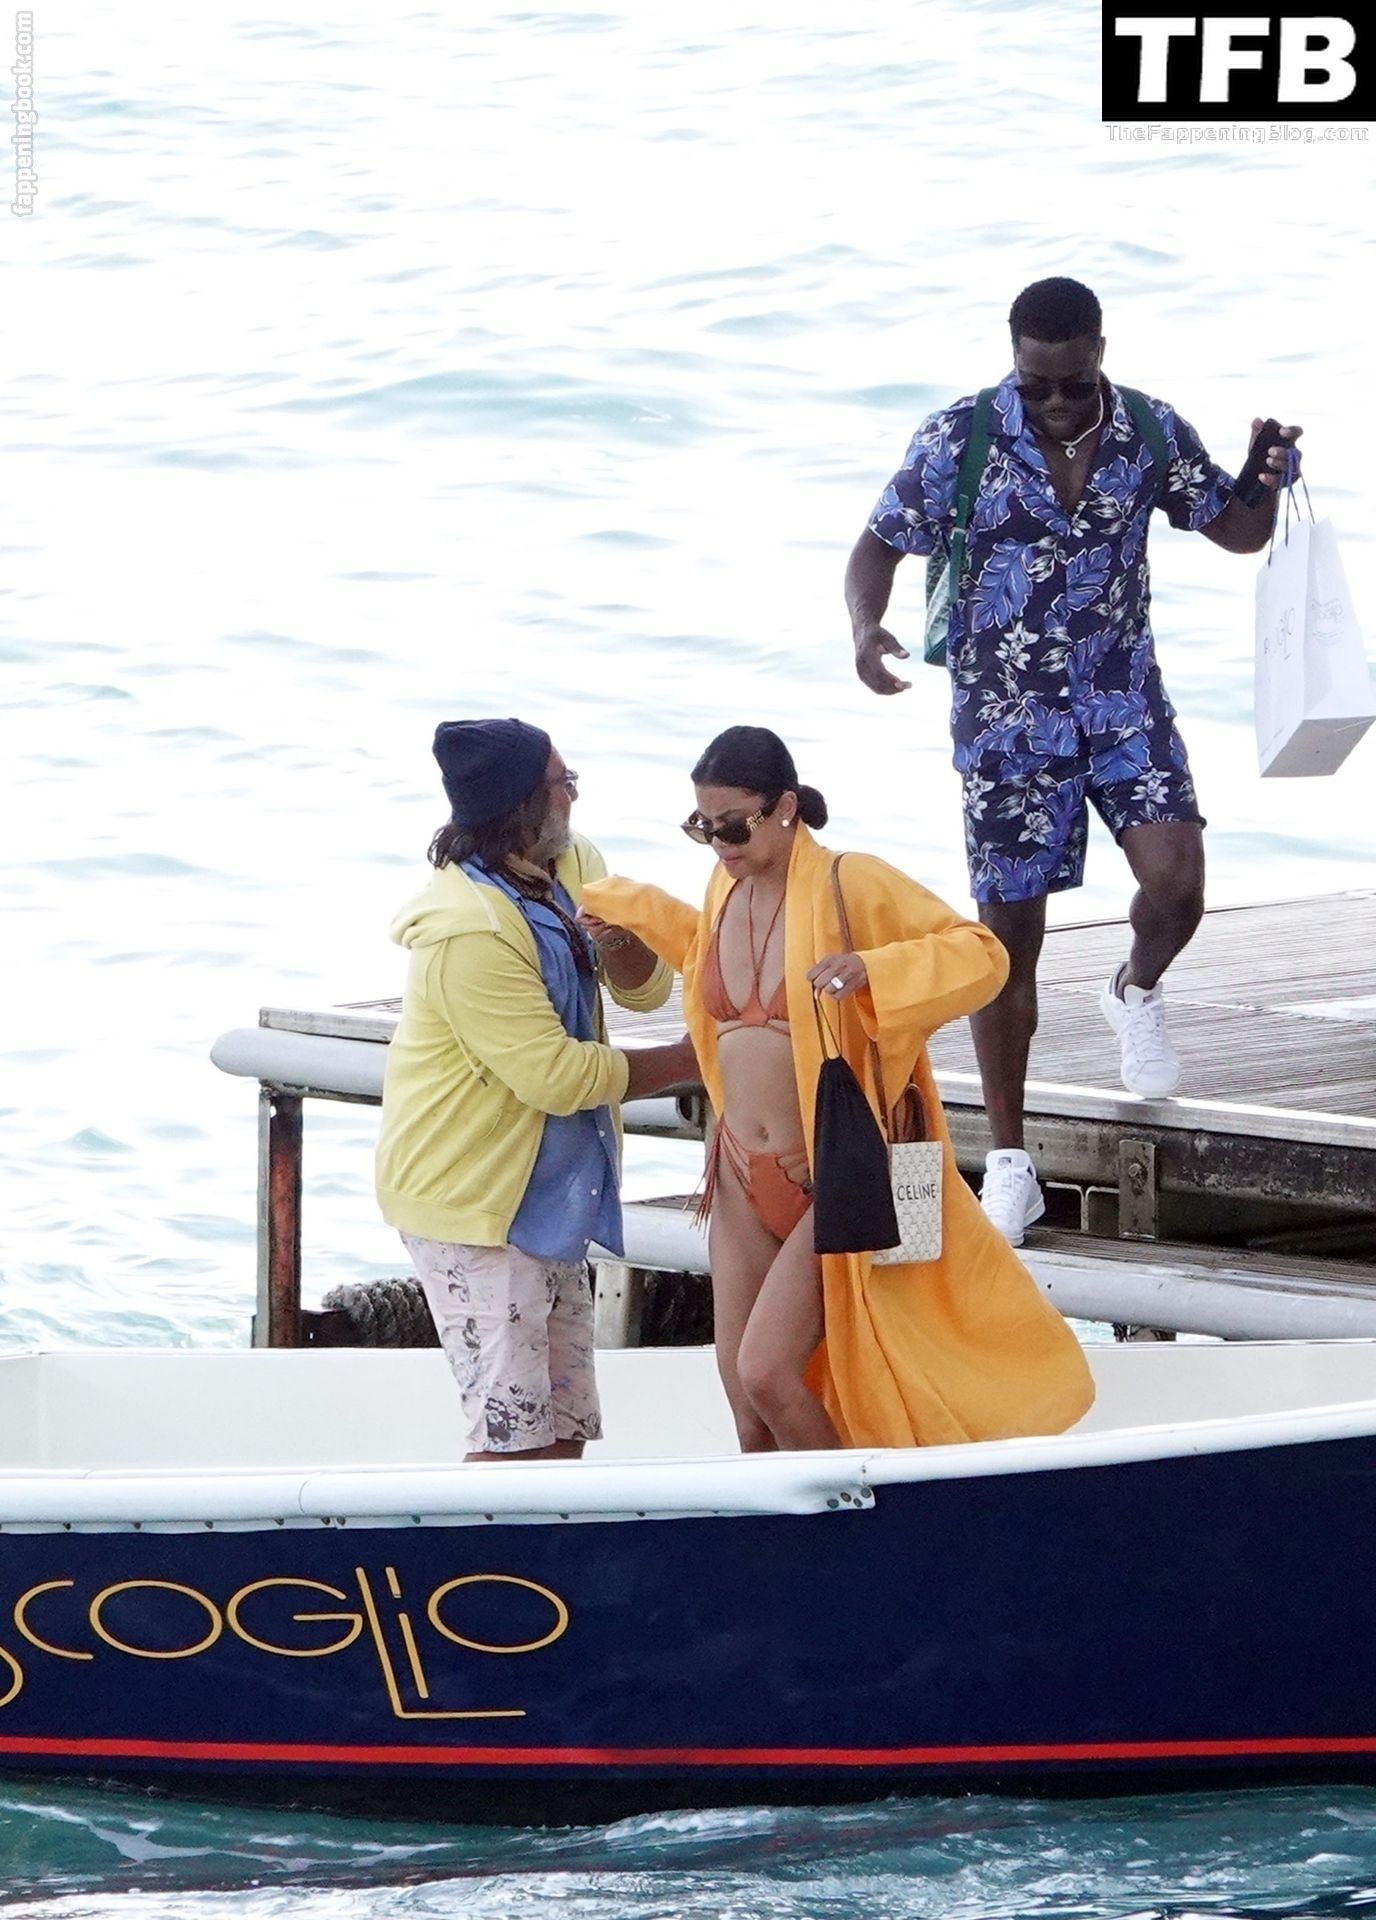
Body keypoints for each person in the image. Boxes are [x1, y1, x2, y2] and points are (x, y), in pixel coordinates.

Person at [844, 276, 1303, 1246]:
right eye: (1035, 383)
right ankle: (1011, 1164)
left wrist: (1263, 473)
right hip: (1007, 727)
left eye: (1071, 382)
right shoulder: (960, 438)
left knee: (1177, 883)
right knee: (1007, 945)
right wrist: (864, 631)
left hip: (1123, 703)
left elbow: (1236, 531)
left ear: (1099, 350)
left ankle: (1133, 988)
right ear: (1014, 361)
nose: (1054, 401)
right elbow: (876, 547)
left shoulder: (1147, 429)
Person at [580, 725, 1094, 1453]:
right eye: (703, 826)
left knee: (768, 1372)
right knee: (744, 1399)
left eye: (733, 824)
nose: (719, 842)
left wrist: (874, 970)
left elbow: (982, 955)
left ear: (785, 807)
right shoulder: (724, 884)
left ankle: (859, 1510)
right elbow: (708, 959)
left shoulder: (851, 882)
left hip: (833, 1175)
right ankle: (784, 1526)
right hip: (739, 1172)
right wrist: (628, 909)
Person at [375, 717, 696, 1462]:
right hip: (474, 1204)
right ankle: (485, 1543)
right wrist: (691, 1062)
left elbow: (644, 992)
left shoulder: (575, 862)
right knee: (509, 1439)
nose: (574, 795)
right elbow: (555, 1077)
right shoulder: (467, 929)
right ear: (522, 802)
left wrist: (622, 941)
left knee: (564, 1428)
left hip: (551, 1198)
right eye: (562, 782)